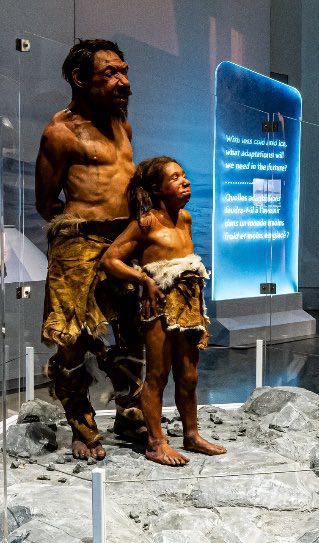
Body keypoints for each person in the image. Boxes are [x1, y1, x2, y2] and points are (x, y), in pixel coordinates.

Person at [36, 39, 146, 460]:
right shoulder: (60, 133)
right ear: (80, 80)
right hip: (78, 242)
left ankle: (130, 411)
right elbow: (46, 202)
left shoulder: (123, 125)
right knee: (72, 336)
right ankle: (81, 422)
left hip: (125, 239)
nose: (124, 81)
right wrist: (80, 234)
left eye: (124, 70)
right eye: (111, 74)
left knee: (134, 328)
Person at [101, 157, 227, 466]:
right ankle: (155, 443)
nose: (184, 181)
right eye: (175, 177)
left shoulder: (184, 219)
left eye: (184, 175)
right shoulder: (145, 223)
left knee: (189, 375)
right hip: (158, 305)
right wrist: (144, 280)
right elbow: (111, 259)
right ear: (157, 188)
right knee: (158, 374)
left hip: (189, 304)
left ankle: (192, 434)